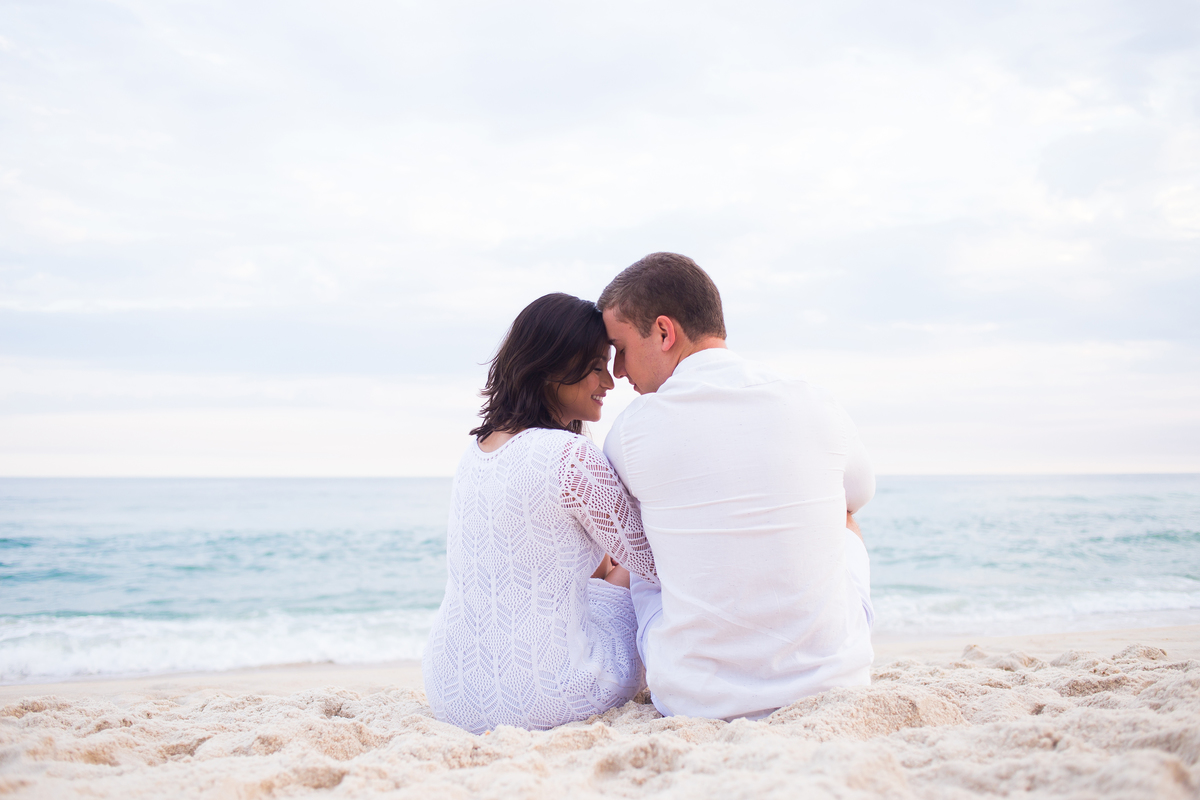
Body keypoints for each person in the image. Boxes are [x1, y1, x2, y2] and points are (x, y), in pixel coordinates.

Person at [598, 252, 876, 721]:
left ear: (664, 333)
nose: (618, 371)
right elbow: (858, 497)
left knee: (637, 544)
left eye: (620, 348)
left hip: (694, 700)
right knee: (842, 519)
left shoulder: (632, 430)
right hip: (834, 683)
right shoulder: (812, 400)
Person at [422, 292, 658, 734]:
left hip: (449, 692)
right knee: (631, 575)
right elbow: (652, 563)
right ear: (551, 368)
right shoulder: (569, 455)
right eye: (595, 367)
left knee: (585, 569)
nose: (609, 382)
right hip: (548, 694)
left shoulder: (476, 452)